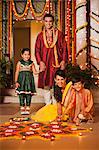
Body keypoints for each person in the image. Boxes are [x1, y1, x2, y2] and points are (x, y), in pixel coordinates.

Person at [35, 13, 68, 89]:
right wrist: (40, 62)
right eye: (46, 21)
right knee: (46, 83)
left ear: (53, 22)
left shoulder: (59, 34)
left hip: (56, 61)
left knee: (57, 81)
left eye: (50, 21)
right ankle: (48, 101)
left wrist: (63, 61)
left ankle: (56, 99)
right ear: (44, 22)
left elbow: (64, 48)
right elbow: (37, 50)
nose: (48, 23)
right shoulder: (40, 36)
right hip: (45, 61)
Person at [15, 48, 39, 115]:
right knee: (21, 94)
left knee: (28, 95)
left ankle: (28, 108)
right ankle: (22, 108)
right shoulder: (19, 63)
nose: (27, 56)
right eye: (25, 54)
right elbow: (17, 72)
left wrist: (40, 71)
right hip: (21, 80)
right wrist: (16, 81)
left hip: (29, 81)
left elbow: (35, 72)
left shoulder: (31, 63)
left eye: (28, 54)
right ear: (22, 55)